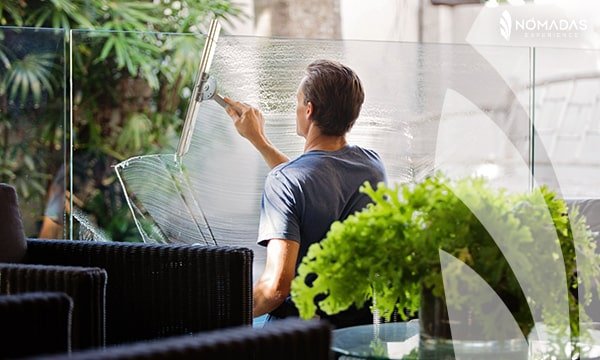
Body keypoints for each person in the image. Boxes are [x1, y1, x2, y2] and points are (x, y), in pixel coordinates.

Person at [224, 59, 387, 328]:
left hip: (300, 336)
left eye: (297, 102)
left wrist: (219, 309)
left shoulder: (286, 181)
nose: (296, 108)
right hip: (356, 329)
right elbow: (315, 181)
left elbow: (275, 289)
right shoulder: (373, 166)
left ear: (308, 110)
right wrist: (259, 141)